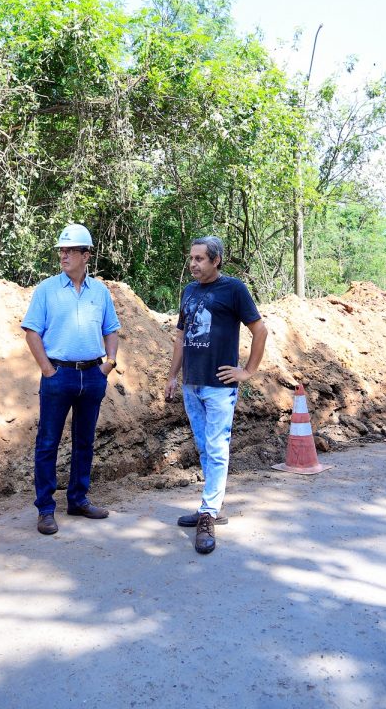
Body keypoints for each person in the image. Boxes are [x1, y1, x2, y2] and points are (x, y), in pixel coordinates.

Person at [165, 236, 268, 554]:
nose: (193, 264)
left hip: (220, 387)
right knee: (203, 447)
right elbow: (181, 337)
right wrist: (172, 376)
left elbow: (260, 330)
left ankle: (208, 514)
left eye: (199, 259)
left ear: (216, 260)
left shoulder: (234, 289)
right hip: (191, 385)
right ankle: (210, 506)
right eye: (191, 258)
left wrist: (247, 371)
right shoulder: (189, 291)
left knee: (216, 446)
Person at [21, 224, 121, 535]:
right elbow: (32, 331)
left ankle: (78, 499)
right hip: (58, 374)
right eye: (61, 250)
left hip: (92, 375)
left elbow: (111, 329)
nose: (63, 255)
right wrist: (48, 369)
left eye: (70, 250)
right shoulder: (47, 290)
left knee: (85, 442)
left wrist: (109, 363)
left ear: (86, 255)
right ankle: (45, 509)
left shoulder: (100, 292)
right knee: (48, 443)